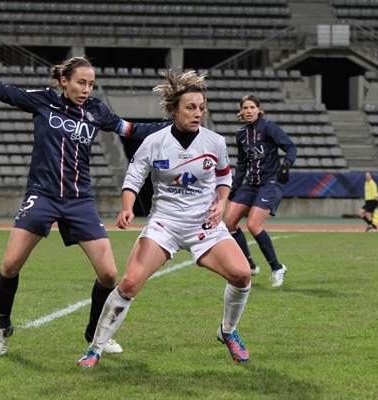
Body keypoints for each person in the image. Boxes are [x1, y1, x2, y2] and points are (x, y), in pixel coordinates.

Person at [0, 30, 167, 356]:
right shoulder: (42, 100)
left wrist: (173, 126)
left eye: (91, 84)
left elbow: (130, 129)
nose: (86, 89)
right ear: (64, 81)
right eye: (81, 82)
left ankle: (95, 334)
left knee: (110, 274)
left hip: (79, 199)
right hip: (42, 195)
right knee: (11, 265)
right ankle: (3, 327)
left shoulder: (97, 110)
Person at [77, 69, 252, 368]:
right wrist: (127, 207)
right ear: (174, 109)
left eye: (201, 107)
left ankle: (228, 331)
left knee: (242, 274)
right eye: (190, 107)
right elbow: (133, 179)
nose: (197, 113)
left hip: (204, 226)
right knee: (130, 283)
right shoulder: (155, 142)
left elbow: (224, 176)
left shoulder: (215, 142)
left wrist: (222, 203)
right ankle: (95, 348)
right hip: (164, 225)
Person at [223, 95, 297, 288]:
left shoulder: (268, 127)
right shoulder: (240, 134)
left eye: (252, 107)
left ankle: (277, 267)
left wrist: (286, 166)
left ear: (258, 109)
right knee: (228, 222)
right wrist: (235, 186)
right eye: (245, 108)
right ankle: (249, 264)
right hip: (251, 183)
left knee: (253, 224)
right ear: (241, 111)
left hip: (270, 183)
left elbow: (290, 147)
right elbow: (241, 164)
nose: (248, 111)